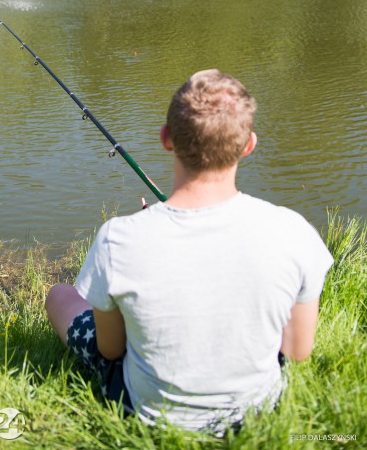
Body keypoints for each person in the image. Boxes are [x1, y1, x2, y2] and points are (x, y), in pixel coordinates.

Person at [46, 69, 333, 435]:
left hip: (145, 412)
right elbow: (296, 351)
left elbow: (111, 349)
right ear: (248, 145)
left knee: (60, 295)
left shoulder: (118, 239)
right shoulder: (294, 231)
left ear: (166, 139)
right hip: (259, 415)